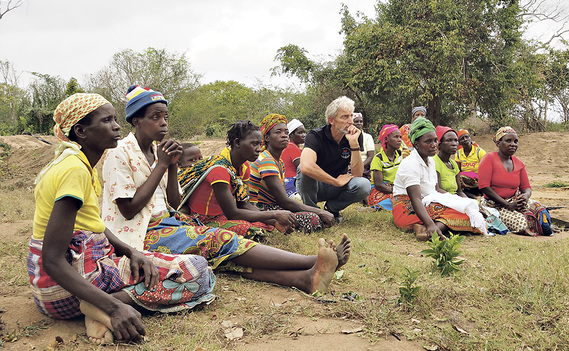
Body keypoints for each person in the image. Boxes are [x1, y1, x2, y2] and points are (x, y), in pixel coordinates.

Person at [103, 85, 351, 294]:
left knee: (221, 257)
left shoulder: (160, 152)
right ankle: (312, 262)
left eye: (165, 116)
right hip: (138, 233)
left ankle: (306, 279)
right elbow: (128, 210)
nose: (163, 123)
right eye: (155, 117)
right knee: (220, 239)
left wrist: (170, 168)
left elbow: (174, 202)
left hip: (169, 221)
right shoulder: (120, 151)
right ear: (136, 121)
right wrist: (163, 164)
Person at [28, 93, 216, 344]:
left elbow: (90, 224)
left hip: (54, 285)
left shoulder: (75, 164)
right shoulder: (74, 170)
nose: (117, 126)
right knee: (198, 271)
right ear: (81, 131)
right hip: (66, 287)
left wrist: (130, 251)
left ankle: (101, 306)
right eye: (107, 120)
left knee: (159, 265)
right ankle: (107, 306)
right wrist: (117, 309)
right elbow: (52, 259)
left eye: (115, 119)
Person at [392, 117, 486, 240]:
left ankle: (423, 228)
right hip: (406, 209)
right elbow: (415, 199)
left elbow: (435, 191)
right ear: (416, 144)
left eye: (435, 140)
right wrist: (430, 223)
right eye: (428, 141)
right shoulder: (410, 163)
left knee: (468, 210)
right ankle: (431, 229)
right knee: (461, 214)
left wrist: (466, 202)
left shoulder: (430, 161)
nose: (434, 145)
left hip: (426, 202)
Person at [248, 114, 335, 232]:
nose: (284, 135)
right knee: (313, 218)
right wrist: (320, 211)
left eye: (286, 132)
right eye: (278, 132)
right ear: (267, 137)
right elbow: (283, 200)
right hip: (261, 210)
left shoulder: (279, 162)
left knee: (312, 215)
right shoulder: (266, 161)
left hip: (274, 207)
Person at [296, 96, 371, 222]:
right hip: (316, 186)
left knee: (364, 185)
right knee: (303, 169)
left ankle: (331, 210)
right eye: (345, 117)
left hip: (337, 186)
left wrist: (354, 144)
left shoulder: (355, 136)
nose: (351, 121)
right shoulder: (315, 135)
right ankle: (312, 212)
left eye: (351, 116)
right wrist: (335, 181)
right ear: (331, 120)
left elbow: (357, 174)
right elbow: (306, 166)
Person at [478, 127, 553, 236]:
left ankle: (542, 226)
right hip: (495, 204)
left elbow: (526, 187)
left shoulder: (519, 163)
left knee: (541, 210)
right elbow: (484, 187)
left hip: (515, 200)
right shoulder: (489, 158)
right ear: (498, 143)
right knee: (522, 224)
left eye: (515, 141)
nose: (513, 144)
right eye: (508, 141)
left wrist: (525, 197)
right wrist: (507, 205)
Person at [367, 124, 407, 211]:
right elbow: (378, 185)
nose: (399, 140)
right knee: (400, 199)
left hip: (395, 187)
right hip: (382, 189)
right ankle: (376, 207)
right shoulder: (378, 159)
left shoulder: (401, 155)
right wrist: (396, 190)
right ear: (386, 139)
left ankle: (384, 205)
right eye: (396, 137)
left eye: (400, 137)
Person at [433, 126, 467, 197]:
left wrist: (469, 202)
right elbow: (437, 190)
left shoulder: (453, 164)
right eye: (449, 140)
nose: (454, 144)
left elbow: (459, 191)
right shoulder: (434, 162)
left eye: (456, 140)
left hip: (453, 199)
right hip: (441, 200)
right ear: (440, 144)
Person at [454, 129, 486, 198]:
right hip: (465, 182)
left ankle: (478, 195)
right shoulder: (458, 153)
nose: (465, 139)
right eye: (462, 138)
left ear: (470, 138)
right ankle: (476, 197)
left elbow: (487, 169)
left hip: (479, 179)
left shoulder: (479, 152)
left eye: (467, 137)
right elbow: (457, 170)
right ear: (459, 142)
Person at [281, 118, 305, 197]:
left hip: (284, 183)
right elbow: (304, 169)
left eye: (304, 132)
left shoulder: (287, 147)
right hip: (291, 183)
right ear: (291, 135)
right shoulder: (292, 148)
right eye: (300, 133)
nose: (304, 135)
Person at [352, 112, 375, 180]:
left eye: (361, 121)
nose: (359, 123)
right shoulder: (346, 137)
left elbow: (370, 156)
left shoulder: (368, 137)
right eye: (356, 121)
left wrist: (360, 166)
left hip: (363, 166)